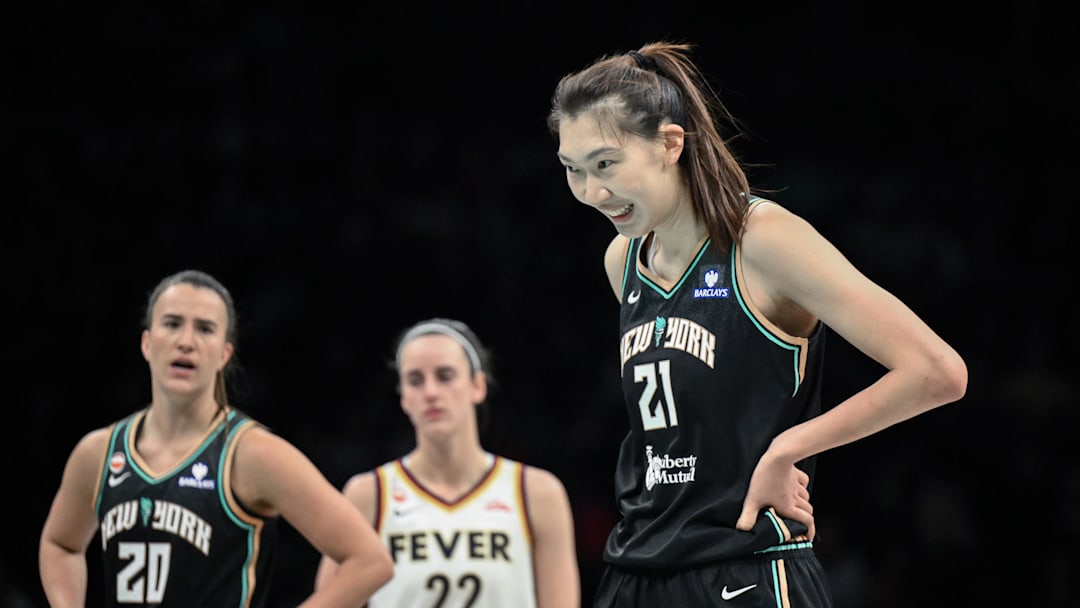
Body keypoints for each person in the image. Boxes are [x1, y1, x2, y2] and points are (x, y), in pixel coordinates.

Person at [546, 41, 968, 607]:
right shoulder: (623, 261)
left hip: (746, 567)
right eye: (573, 170)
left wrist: (788, 448)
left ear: (671, 144)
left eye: (606, 164)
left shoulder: (762, 239)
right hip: (635, 571)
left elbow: (938, 371)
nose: (592, 193)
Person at [38, 269, 394, 607]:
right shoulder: (98, 452)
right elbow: (60, 544)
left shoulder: (251, 454)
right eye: (172, 324)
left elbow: (370, 561)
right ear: (147, 343)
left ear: (224, 353)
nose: (186, 341)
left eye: (205, 329)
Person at [314, 317, 581, 608]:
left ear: (478, 386)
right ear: (403, 397)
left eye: (445, 376)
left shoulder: (537, 493)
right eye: (415, 381)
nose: (430, 392)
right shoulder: (369, 494)